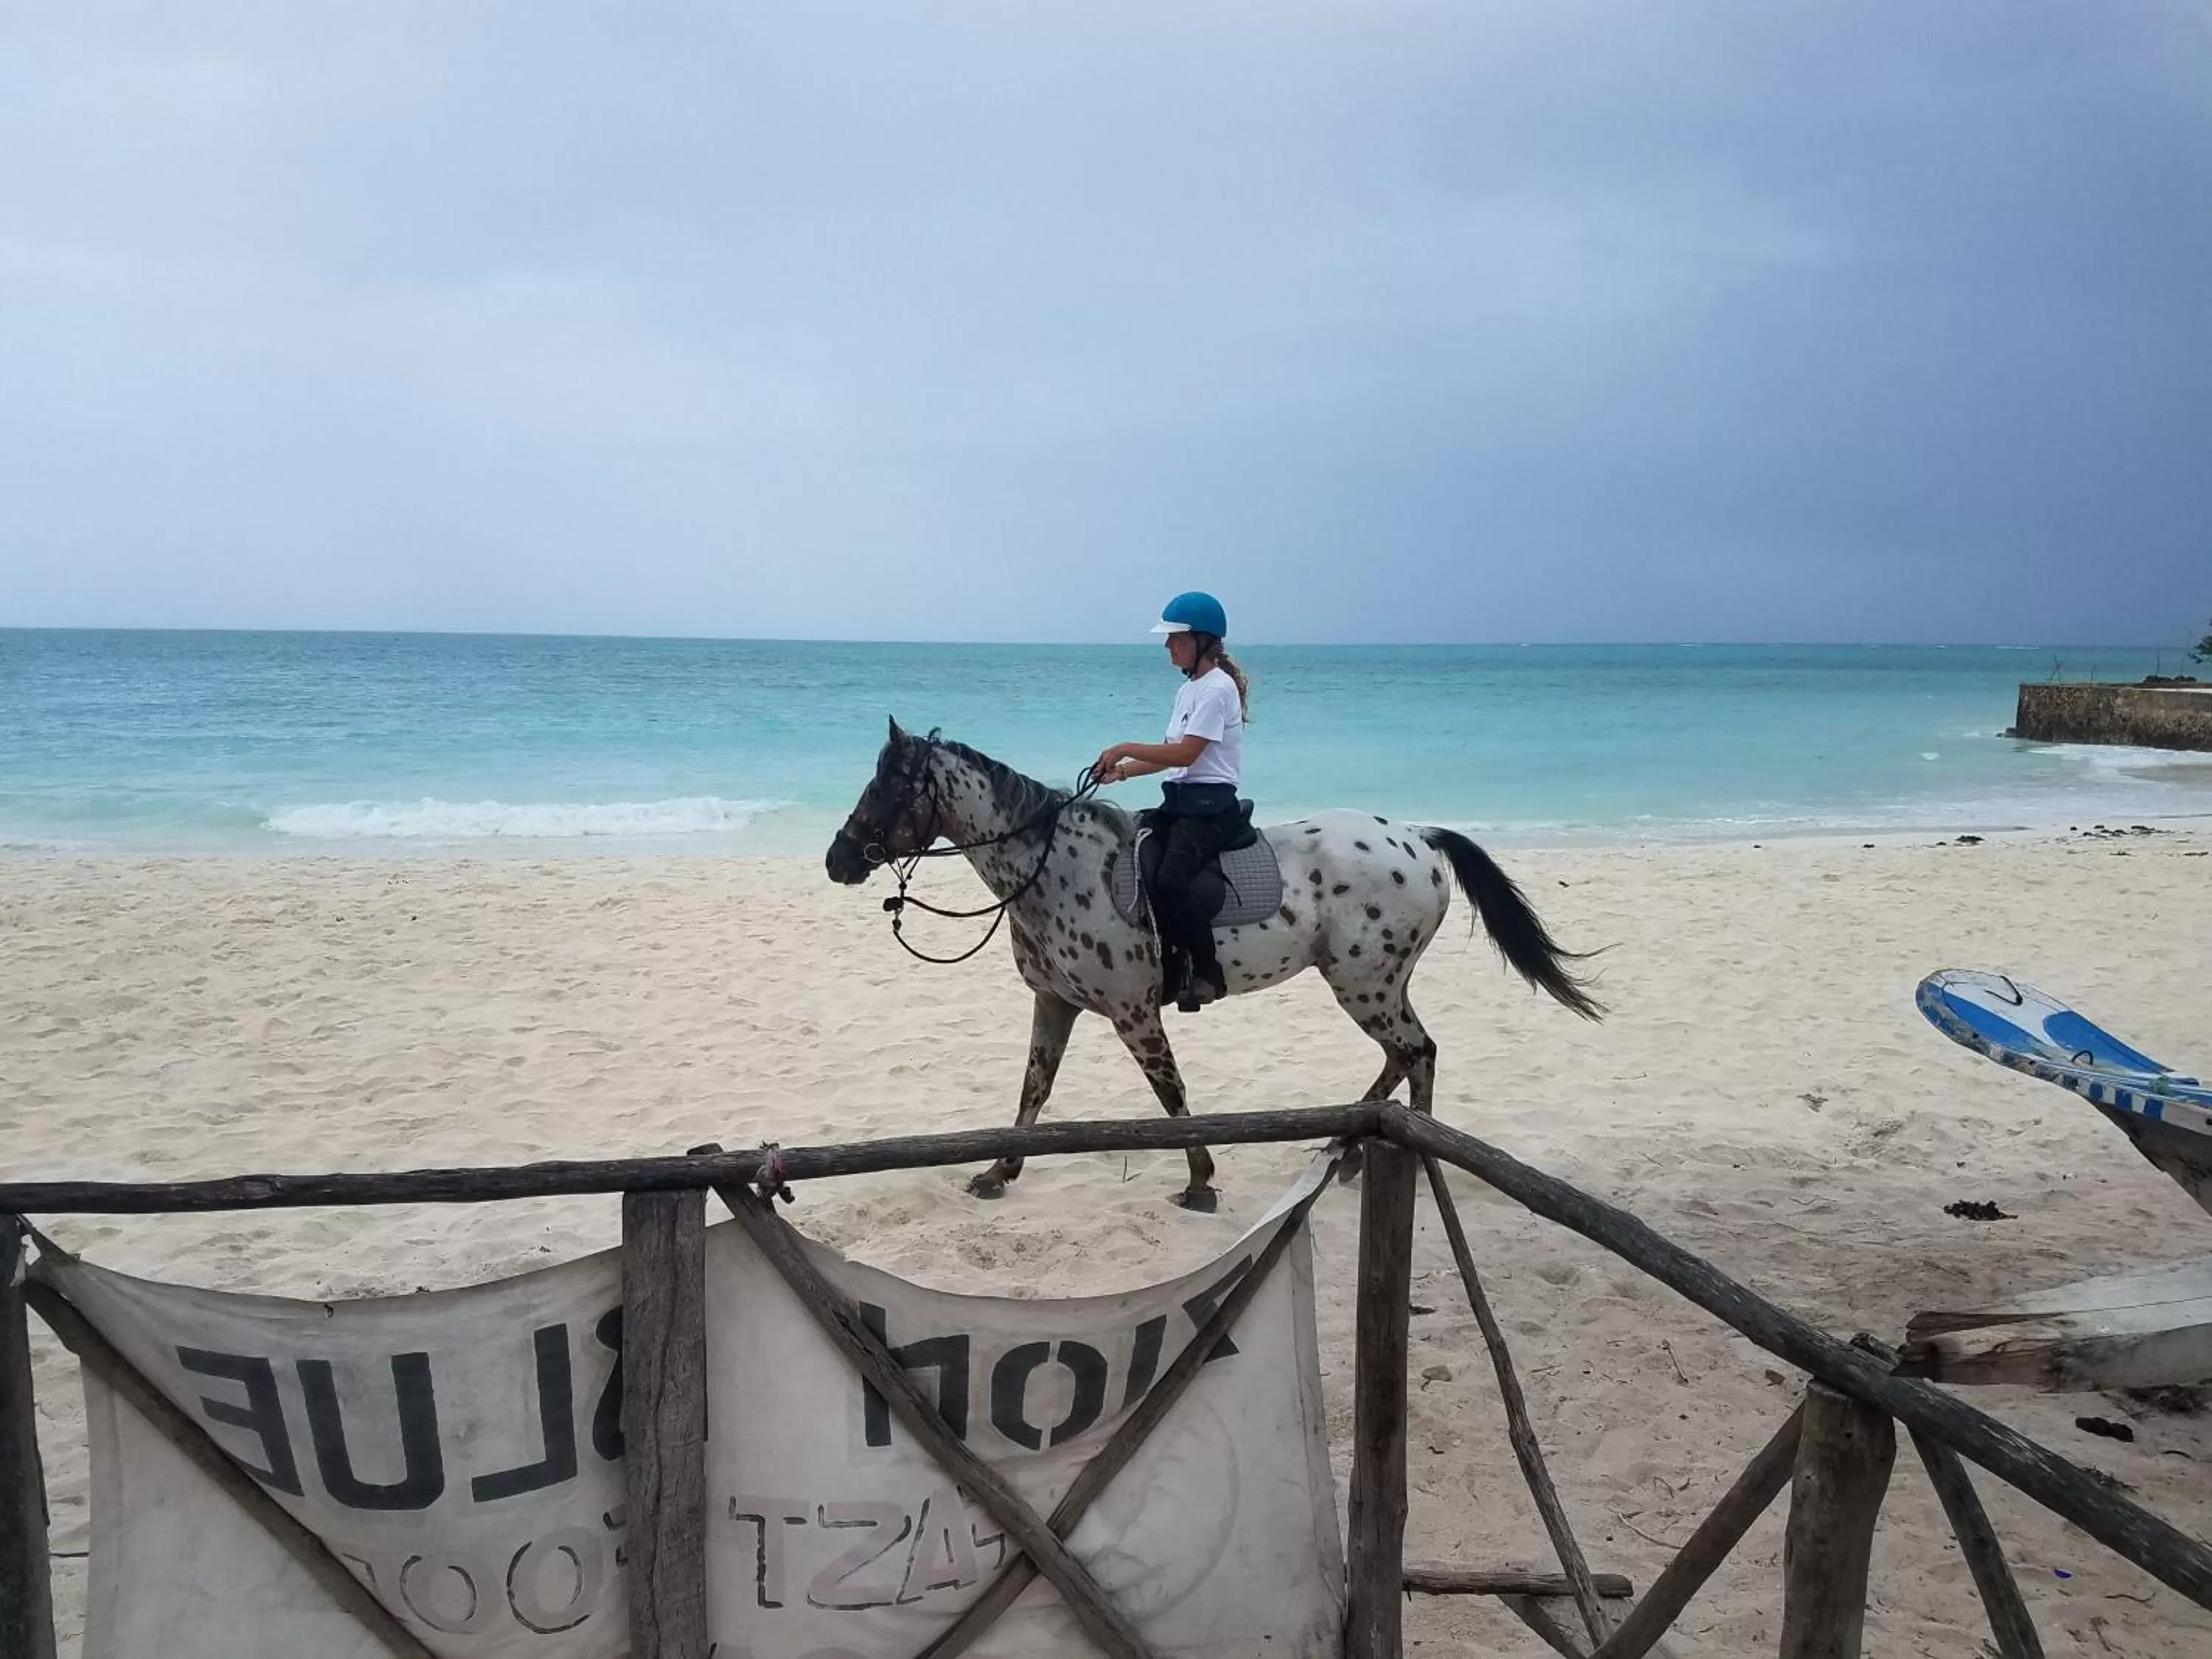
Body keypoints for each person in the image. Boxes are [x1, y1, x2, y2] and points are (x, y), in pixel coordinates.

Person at [1091, 591, 1253, 1012]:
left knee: (1169, 880)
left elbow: (1185, 755)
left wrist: (1125, 746)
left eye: (1175, 638)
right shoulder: (1189, 691)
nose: (1167, 645)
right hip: (1181, 802)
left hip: (1210, 808)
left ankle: (1207, 972)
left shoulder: (1217, 690)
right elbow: (1167, 756)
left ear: (1201, 640)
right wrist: (1121, 773)